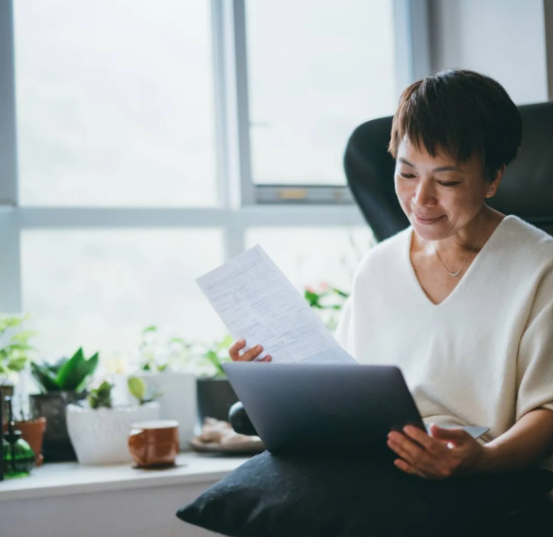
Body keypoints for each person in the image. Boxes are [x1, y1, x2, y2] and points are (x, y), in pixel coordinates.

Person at [228, 69, 553, 521]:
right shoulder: (377, 267)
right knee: (257, 495)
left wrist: (485, 459)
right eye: (405, 172)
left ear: (493, 178)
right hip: (379, 462)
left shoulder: (541, 267)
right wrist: (271, 386)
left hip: (489, 473)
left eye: (448, 181)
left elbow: (548, 410)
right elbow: (345, 394)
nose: (421, 199)